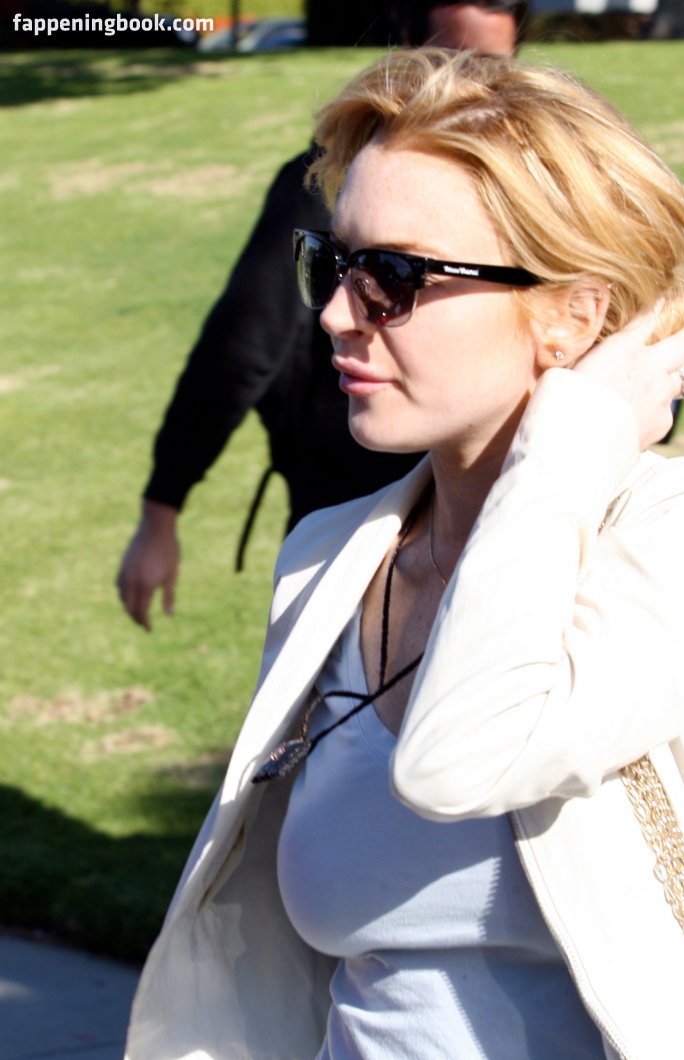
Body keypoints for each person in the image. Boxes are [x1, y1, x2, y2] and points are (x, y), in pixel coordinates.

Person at [125, 49, 684, 1060]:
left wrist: (578, 432)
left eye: (396, 278)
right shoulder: (333, 558)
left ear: (573, 313)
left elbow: (463, 752)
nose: (334, 314)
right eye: (333, 263)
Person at [115, 2, 527, 631]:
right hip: (346, 504)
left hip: (503, 525)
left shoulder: (538, 189)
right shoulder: (341, 179)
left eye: (491, 66)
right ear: (405, 45)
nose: (337, 313)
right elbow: (242, 346)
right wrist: (161, 506)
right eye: (448, 60)